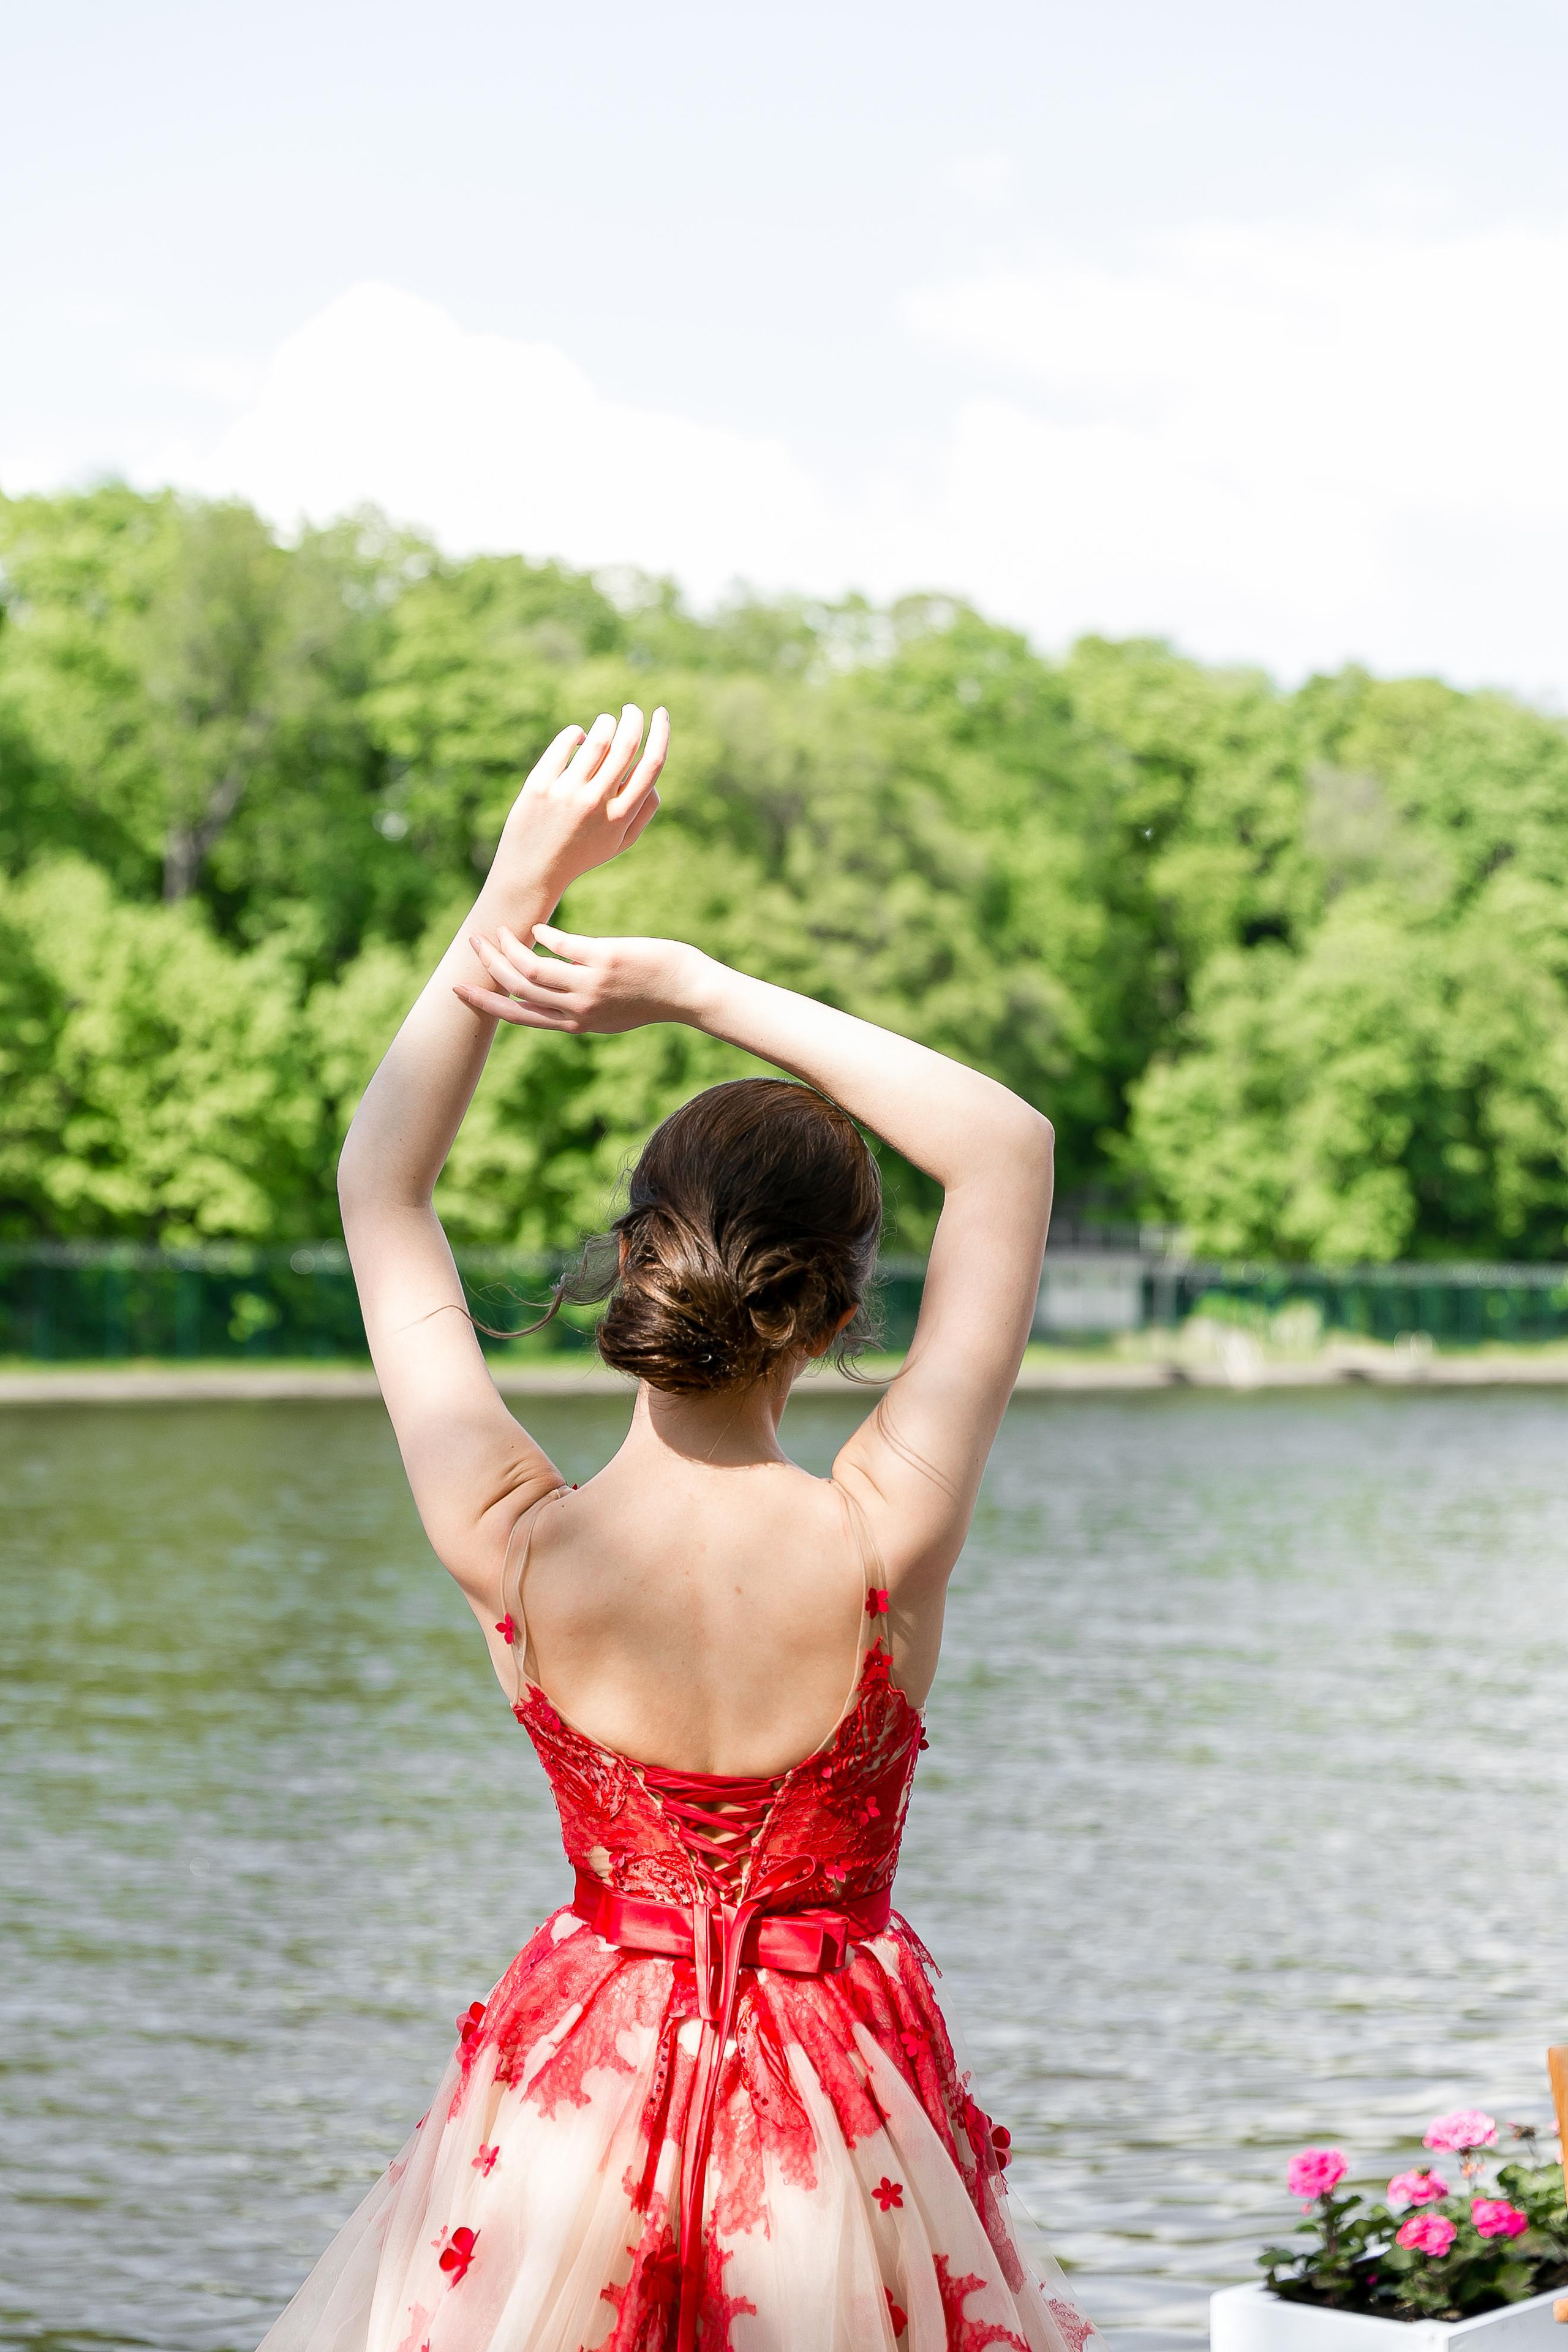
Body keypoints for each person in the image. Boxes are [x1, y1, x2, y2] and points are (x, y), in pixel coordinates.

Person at [260, 706, 1091, 2352]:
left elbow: (381, 1180)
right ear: (839, 1310)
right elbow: (1004, 1149)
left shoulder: (509, 1534)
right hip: (835, 2125)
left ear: (636, 1255)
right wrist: (697, 984)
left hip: (577, 2098)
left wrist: (517, 897)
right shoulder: (883, 1536)